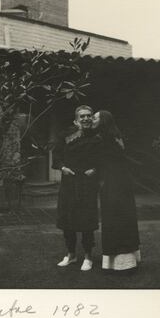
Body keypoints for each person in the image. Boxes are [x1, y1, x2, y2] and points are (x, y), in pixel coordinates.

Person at [52, 105, 101, 271]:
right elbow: (57, 156)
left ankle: (88, 257)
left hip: (88, 183)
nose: (86, 119)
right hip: (70, 182)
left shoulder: (98, 136)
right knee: (68, 220)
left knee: (87, 220)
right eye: (82, 117)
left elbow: (106, 158)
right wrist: (62, 168)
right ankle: (71, 255)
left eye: (89, 116)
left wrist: (96, 169)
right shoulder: (65, 135)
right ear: (76, 120)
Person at [93, 110, 141, 273]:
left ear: (103, 121)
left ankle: (122, 261)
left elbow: (103, 161)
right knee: (123, 216)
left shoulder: (104, 138)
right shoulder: (114, 136)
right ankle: (127, 258)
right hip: (120, 182)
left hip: (113, 183)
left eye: (95, 118)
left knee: (115, 217)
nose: (92, 120)